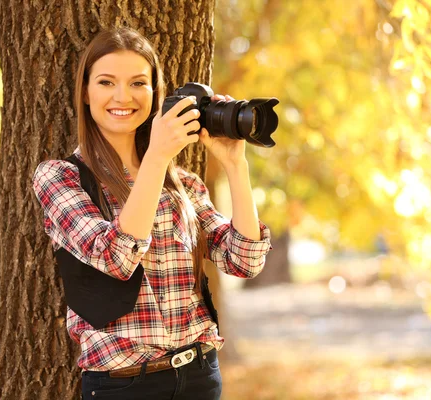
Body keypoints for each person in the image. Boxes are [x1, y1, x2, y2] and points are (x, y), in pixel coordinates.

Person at [32, 27, 272, 399]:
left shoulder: (184, 185)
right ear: (85, 91)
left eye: (138, 83)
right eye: (107, 82)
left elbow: (244, 260)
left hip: (200, 375)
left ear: (155, 94)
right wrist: (158, 156)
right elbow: (115, 257)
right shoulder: (60, 177)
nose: (122, 96)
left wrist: (235, 166)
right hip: (123, 383)